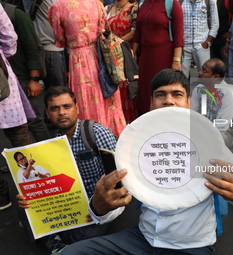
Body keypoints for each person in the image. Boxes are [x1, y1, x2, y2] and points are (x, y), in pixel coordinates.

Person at [60, 68, 233, 255]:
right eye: (160, 95)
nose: (168, 100)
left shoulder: (211, 146)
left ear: (189, 103)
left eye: (177, 94)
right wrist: (99, 208)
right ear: (151, 103)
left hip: (191, 246)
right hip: (141, 239)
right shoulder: (135, 147)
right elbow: (118, 200)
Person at [16, 86, 121, 254]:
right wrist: (32, 195)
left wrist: (97, 208)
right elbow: (51, 179)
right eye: (55, 109)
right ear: (48, 114)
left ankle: (52, 238)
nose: (62, 112)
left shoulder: (96, 133)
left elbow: (118, 177)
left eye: (67, 106)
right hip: (69, 201)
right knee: (23, 205)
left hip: (97, 202)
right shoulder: (54, 141)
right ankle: (57, 242)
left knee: (85, 234)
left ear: (77, 108)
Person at [48, 0, 126, 137]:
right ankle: (112, 137)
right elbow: (103, 29)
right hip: (101, 59)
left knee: (85, 100)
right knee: (107, 100)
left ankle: (89, 137)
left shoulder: (57, 6)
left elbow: (60, 39)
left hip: (79, 61)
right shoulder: (97, 3)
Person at [0, 3, 34, 211]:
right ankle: (35, 193)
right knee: (20, 137)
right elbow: (8, 35)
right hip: (2, 84)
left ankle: (1, 196)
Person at [1, 1, 51, 142]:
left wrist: (34, 79)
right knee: (16, 127)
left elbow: (32, 47)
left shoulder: (15, 14)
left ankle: (50, 156)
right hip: (7, 79)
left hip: (21, 78)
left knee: (33, 121)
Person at [133, 0, 184, 114]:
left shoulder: (171, 3)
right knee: (145, 92)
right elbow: (138, 32)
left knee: (162, 89)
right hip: (145, 59)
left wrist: (176, 60)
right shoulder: (143, 4)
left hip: (163, 57)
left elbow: (178, 34)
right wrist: (134, 54)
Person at [190, 58, 233, 148]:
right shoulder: (199, 88)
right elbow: (192, 114)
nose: (200, 72)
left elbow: (221, 127)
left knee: (203, 144)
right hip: (204, 129)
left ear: (215, 77)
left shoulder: (228, 93)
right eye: (202, 69)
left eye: (205, 71)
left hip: (226, 135)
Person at [105, 0, 138, 123]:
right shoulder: (107, 9)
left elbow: (134, 33)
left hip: (126, 54)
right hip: (109, 56)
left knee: (127, 88)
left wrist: (115, 44)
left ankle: (128, 122)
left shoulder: (133, 9)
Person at [181, 0, 219, 78]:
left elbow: (215, 23)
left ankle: (204, 90)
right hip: (184, 46)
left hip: (201, 45)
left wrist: (207, 41)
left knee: (205, 76)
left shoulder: (208, 1)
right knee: (181, 76)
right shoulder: (180, 1)